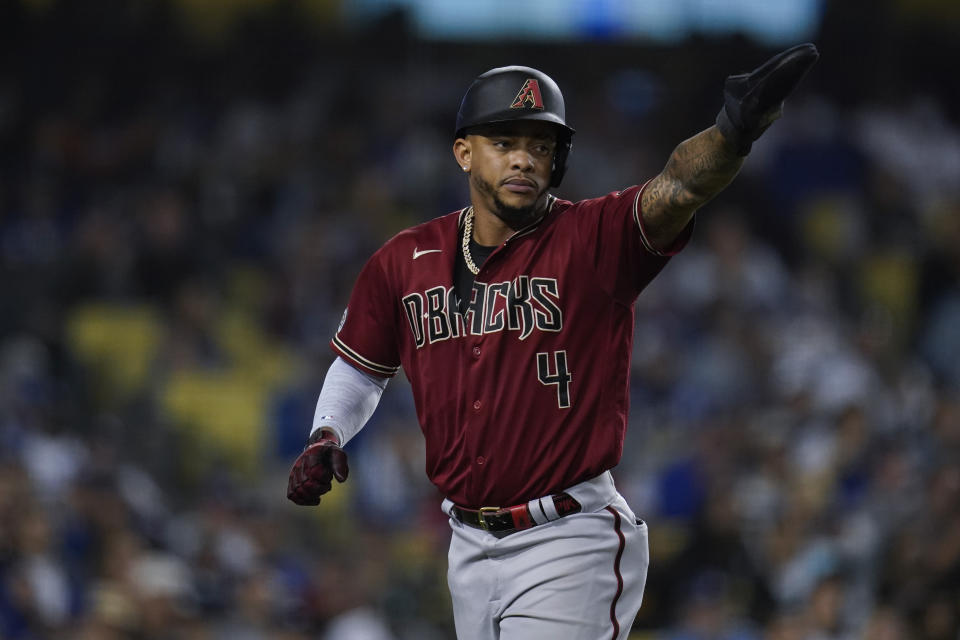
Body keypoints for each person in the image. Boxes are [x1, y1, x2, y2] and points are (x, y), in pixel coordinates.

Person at [288, 44, 819, 640]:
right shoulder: (404, 260)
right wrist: (327, 430)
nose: (524, 160)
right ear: (463, 152)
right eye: (505, 142)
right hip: (465, 544)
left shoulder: (592, 238)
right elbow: (362, 367)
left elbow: (678, 188)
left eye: (541, 146)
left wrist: (730, 134)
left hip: (569, 540)